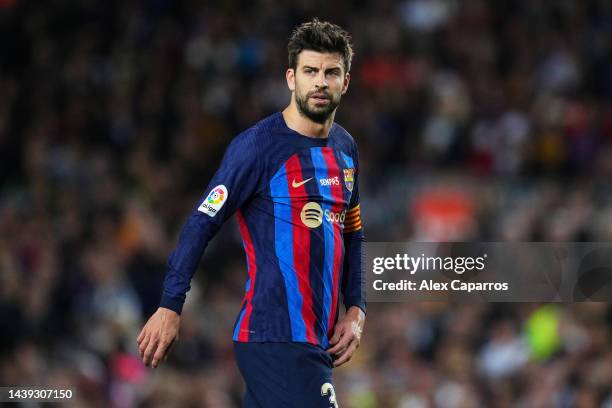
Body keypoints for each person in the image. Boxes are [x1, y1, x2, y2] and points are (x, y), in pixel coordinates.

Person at [137, 18, 365, 407]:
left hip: (314, 341)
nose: (321, 82)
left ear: (345, 81)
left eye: (331, 72)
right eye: (311, 71)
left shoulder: (345, 148)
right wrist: (170, 305)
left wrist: (356, 308)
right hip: (275, 337)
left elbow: (352, 233)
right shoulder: (257, 148)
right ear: (291, 78)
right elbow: (201, 222)